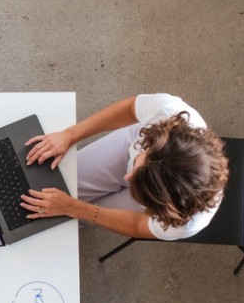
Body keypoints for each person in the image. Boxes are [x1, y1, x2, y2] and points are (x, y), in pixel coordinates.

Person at [20, 93, 229, 240]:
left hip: (153, 200)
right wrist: (69, 135)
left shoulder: (185, 222)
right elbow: (130, 109)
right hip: (132, 146)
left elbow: (138, 224)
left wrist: (75, 209)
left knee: (65, 219)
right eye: (138, 165)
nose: (127, 178)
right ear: (152, 142)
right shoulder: (167, 110)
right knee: (61, 184)